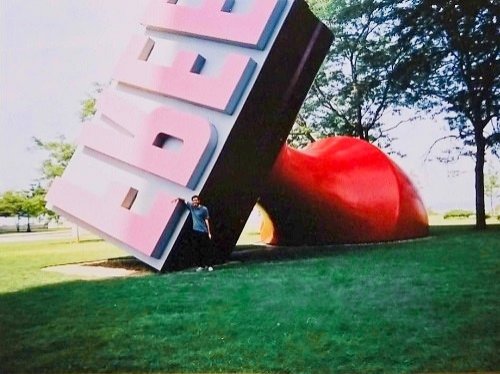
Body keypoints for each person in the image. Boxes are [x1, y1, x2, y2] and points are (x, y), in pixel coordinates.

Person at [173, 195, 214, 271]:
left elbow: (207, 221)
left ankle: (209, 265)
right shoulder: (191, 207)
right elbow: (184, 200)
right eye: (193, 200)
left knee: (206, 249)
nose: (194, 202)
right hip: (195, 231)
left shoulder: (204, 209)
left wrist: (209, 232)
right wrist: (178, 198)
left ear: (199, 201)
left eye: (196, 200)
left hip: (203, 231)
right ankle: (201, 266)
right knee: (197, 249)